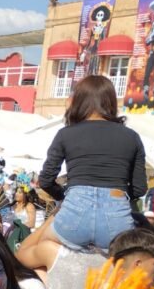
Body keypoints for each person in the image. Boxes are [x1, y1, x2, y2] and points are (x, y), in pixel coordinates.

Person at [38, 75, 146, 250]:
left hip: (74, 216)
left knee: (35, 248)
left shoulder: (65, 134)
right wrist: (116, 194)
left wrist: (64, 196)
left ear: (79, 101)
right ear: (111, 101)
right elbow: (140, 189)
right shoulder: (132, 137)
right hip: (116, 222)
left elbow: (45, 180)